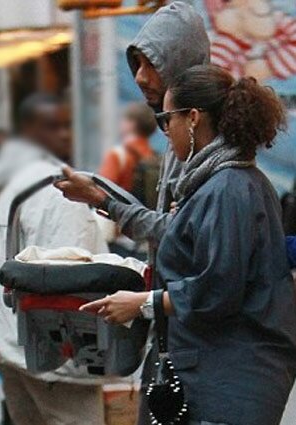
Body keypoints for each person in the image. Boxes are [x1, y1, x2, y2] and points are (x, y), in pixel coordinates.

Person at [73, 66, 296, 425]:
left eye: (167, 118)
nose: (165, 130)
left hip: (230, 380)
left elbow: (219, 289)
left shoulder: (229, 187)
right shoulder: (224, 183)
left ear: (192, 119)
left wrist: (142, 304)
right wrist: (106, 199)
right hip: (218, 371)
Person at [0, 93, 108, 425]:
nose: (65, 134)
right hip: (56, 353)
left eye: (68, 125)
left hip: (9, 345)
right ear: (26, 130)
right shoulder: (60, 190)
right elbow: (73, 275)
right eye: (53, 126)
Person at [56, 1, 210, 245]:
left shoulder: (205, 142)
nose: (140, 77)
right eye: (138, 63)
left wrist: (100, 199)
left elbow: (180, 234)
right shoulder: (174, 140)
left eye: (152, 64)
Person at [99, 102, 157, 193]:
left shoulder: (117, 155)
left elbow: (102, 191)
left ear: (131, 123)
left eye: (123, 120)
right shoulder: (153, 156)